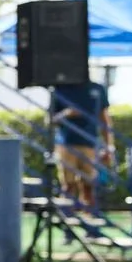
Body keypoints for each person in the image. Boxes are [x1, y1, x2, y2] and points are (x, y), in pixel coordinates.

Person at [50, 75, 113, 211]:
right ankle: (67, 215)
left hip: (90, 143)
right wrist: (66, 114)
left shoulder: (97, 88)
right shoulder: (60, 89)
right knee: (68, 184)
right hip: (66, 144)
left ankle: (90, 216)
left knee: (89, 184)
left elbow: (104, 119)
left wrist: (108, 146)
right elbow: (50, 119)